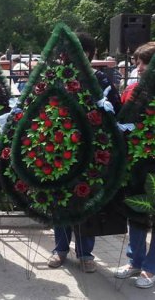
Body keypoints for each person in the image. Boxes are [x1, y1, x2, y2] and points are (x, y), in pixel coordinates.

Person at [48, 32, 122, 273]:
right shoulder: (55, 79)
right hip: (58, 150)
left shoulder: (100, 80)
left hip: (91, 152)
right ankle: (59, 249)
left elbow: (116, 112)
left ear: (87, 53)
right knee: (60, 201)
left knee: (86, 201)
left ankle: (85, 253)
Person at [115, 41, 155, 289]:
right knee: (136, 212)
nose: (138, 68)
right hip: (135, 164)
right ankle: (136, 261)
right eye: (137, 63)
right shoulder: (131, 91)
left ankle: (151, 268)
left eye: (144, 63)